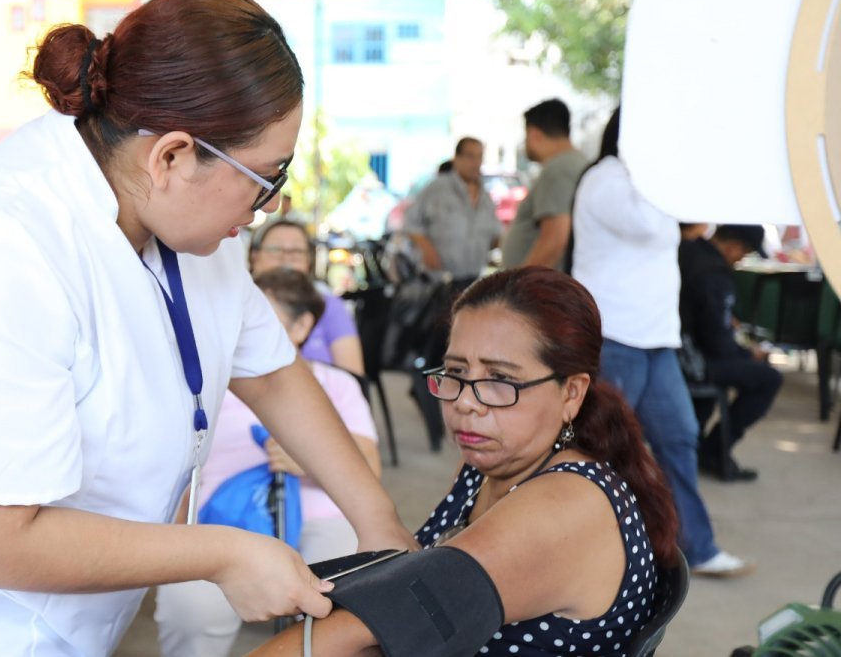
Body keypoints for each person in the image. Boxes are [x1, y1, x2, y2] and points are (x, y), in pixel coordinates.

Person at [0, 0, 414, 655]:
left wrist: (379, 524)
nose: (272, 202)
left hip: (67, 617)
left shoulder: (191, 224)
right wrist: (223, 553)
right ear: (171, 156)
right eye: (265, 176)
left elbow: (274, 373)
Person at [253, 267, 681, 657]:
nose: (465, 402)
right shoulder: (488, 465)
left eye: (500, 381)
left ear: (571, 392)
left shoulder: (562, 508)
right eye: (456, 372)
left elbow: (358, 631)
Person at [154, 268, 380, 656]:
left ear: (301, 325)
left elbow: (370, 468)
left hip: (321, 517)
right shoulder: (208, 382)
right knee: (190, 607)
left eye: (262, 320)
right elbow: (178, 465)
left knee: (344, 601)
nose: (246, 331)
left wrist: (309, 459)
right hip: (222, 520)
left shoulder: (335, 384)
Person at [573, 108, 753, 577]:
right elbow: (659, 227)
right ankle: (584, 549)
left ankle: (697, 546)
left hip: (655, 339)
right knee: (600, 448)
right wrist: (678, 202)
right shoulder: (606, 180)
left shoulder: (650, 187)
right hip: (615, 336)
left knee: (679, 437)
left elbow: (696, 225)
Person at [679, 224, 784, 482]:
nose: (740, 260)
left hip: (673, 353)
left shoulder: (686, 251)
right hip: (693, 362)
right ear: (735, 246)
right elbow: (718, 343)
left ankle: (705, 447)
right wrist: (748, 354)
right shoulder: (715, 274)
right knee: (769, 378)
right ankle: (714, 451)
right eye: (744, 253)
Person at [248, 220, 364, 375]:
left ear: (309, 260)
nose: (286, 258)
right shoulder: (236, 305)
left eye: (296, 251)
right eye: (275, 249)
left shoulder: (329, 305)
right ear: (254, 257)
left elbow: (353, 376)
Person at [403, 137, 500, 291]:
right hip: (441, 281)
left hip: (474, 278)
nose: (476, 162)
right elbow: (410, 221)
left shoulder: (485, 196)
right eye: (470, 156)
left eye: (479, 156)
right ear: (457, 159)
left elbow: (496, 233)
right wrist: (426, 247)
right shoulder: (438, 188)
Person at [501, 99, 589, 271]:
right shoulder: (577, 163)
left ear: (534, 134)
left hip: (538, 291)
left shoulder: (558, 170)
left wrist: (519, 288)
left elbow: (554, 240)